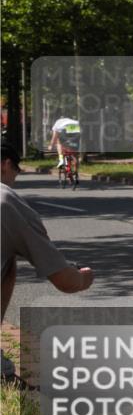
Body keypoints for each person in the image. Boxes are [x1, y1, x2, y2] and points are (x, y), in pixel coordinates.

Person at [1, 141, 94, 382]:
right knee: (8, 261)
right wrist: (84, 277)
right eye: (17, 171)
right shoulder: (6, 202)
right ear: (5, 164)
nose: (15, 178)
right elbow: (65, 281)